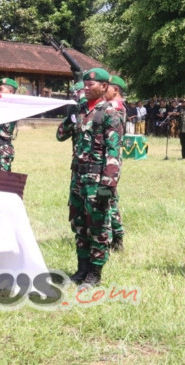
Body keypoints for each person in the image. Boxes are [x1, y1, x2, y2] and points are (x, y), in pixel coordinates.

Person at [66, 68, 123, 286]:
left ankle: (95, 273)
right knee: (79, 224)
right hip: (78, 178)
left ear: (104, 87)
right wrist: (69, 114)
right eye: (85, 85)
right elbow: (61, 135)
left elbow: (113, 152)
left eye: (92, 85)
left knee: (97, 227)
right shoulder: (80, 110)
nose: (87, 88)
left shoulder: (109, 113)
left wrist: (108, 184)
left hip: (97, 179)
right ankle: (81, 269)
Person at [105, 75, 127, 252]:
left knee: (109, 199)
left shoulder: (116, 108)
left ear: (115, 90)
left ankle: (116, 237)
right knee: (109, 199)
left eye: (106, 87)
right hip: (107, 158)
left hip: (110, 160)